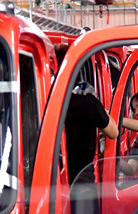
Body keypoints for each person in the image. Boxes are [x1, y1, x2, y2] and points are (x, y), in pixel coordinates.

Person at [54, 44, 118, 183]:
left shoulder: (44, 102)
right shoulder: (87, 102)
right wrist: (101, 108)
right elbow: (113, 132)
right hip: (82, 179)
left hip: (52, 180)